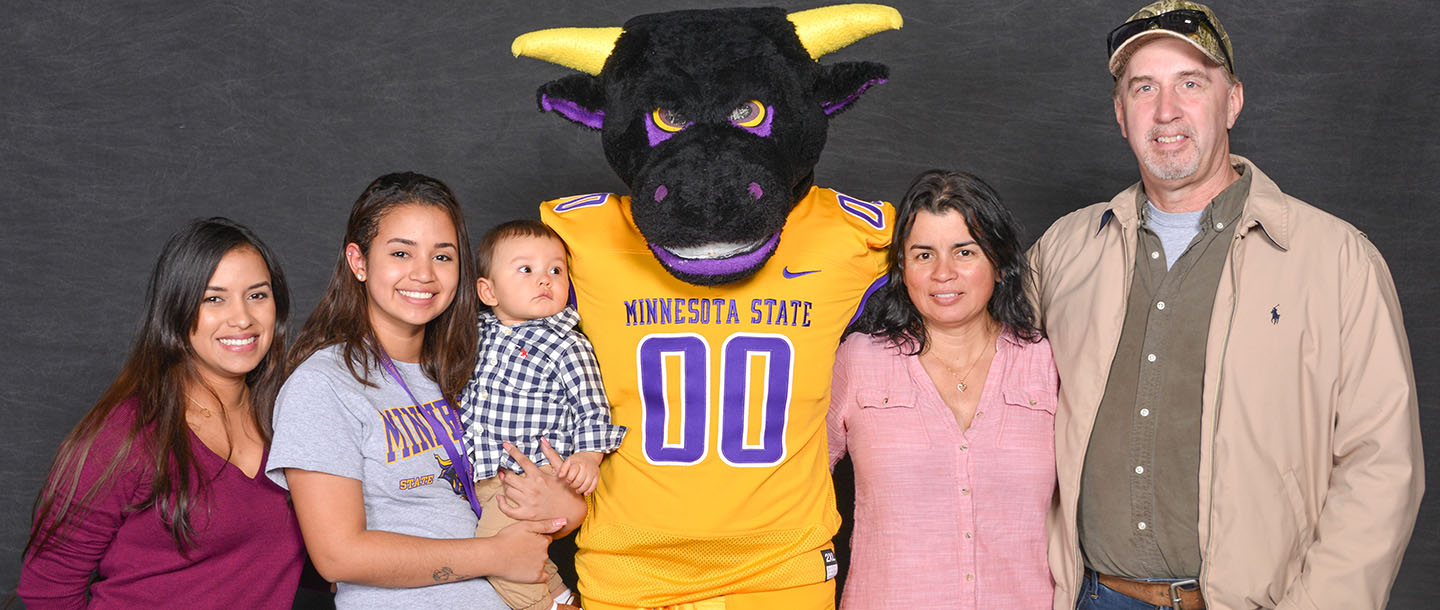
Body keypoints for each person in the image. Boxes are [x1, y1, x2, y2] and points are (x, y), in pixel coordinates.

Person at [1028, 3, 1423, 609]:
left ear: (1232, 100)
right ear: (1119, 112)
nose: (1166, 112)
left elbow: (1383, 466)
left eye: (1191, 83)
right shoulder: (1063, 251)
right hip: (1093, 597)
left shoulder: (1336, 259)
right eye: (1143, 88)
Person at [266, 172, 587, 608]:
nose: (423, 274)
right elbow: (337, 555)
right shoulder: (323, 384)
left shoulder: (474, 368)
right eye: (401, 252)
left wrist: (565, 508)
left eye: (443, 257)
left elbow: (523, 506)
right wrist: (494, 556)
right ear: (358, 262)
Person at [19, 217, 305, 608]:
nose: (242, 318)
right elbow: (46, 589)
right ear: (177, 310)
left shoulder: (291, 422)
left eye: (257, 295)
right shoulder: (127, 433)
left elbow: (301, 556)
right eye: (213, 298)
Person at [828, 170, 1056, 609]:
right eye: (923, 254)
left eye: (964, 251)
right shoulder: (860, 360)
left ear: (1001, 261)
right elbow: (794, 481)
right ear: (901, 266)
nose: (943, 274)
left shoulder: (1046, 363)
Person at [459, 219, 627, 610]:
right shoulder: (475, 335)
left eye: (556, 270)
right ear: (488, 291)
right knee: (527, 553)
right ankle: (561, 597)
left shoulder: (565, 343)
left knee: (496, 554)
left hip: (536, 477)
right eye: (526, 269)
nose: (544, 280)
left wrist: (588, 456)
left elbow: (591, 405)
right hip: (485, 478)